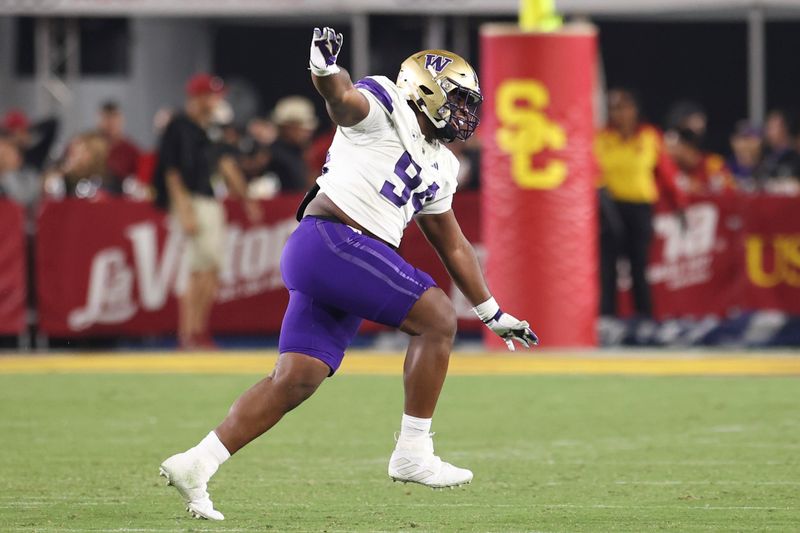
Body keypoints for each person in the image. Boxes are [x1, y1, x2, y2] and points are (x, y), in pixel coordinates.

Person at [159, 27, 538, 521]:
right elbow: (342, 102)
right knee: (437, 317)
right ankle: (413, 452)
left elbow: (453, 243)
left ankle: (197, 462)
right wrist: (323, 69)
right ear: (425, 90)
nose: (466, 113)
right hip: (334, 241)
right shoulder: (386, 105)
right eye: (458, 100)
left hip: (342, 259)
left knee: (296, 379)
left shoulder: (443, 164)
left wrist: (493, 312)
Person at [152, 73, 261, 350]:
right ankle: (188, 333)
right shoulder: (178, 125)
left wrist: (246, 197)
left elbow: (225, 164)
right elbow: (171, 171)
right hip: (192, 200)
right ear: (198, 97)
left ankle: (199, 330)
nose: (216, 100)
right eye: (212, 95)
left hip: (210, 200)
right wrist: (184, 208)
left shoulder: (209, 129)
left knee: (211, 268)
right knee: (198, 268)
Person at [595, 88, 685, 320]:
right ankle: (607, 318)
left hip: (640, 209)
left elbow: (666, 173)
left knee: (639, 265)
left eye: (624, 107)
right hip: (609, 209)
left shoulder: (649, 136)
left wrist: (679, 204)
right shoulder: (601, 138)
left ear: (634, 110)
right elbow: (590, 172)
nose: (619, 113)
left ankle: (644, 318)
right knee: (608, 266)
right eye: (614, 108)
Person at [266, 95, 318, 192]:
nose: (308, 132)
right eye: (301, 127)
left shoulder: (305, 153)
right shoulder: (272, 157)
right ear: (286, 127)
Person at [670, 128, 736, 195]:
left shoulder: (713, 162)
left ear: (688, 147)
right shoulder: (673, 168)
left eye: (673, 147)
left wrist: (701, 189)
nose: (670, 152)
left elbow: (730, 191)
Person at [96, 100, 141, 190]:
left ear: (121, 120)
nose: (110, 123)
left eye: (114, 117)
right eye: (106, 118)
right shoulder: (87, 148)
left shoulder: (132, 151)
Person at [755, 109, 800, 186]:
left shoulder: (795, 156)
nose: (768, 132)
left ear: (785, 128)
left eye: (772, 127)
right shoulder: (765, 155)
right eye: (768, 127)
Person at [727, 120, 762, 189]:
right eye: (745, 138)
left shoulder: (768, 167)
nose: (749, 144)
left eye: (753, 138)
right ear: (734, 141)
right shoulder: (725, 169)